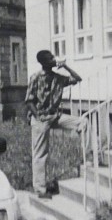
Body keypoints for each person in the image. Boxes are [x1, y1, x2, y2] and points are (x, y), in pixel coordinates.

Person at [25, 50, 88, 200]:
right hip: (41, 118)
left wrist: (65, 66)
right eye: (51, 58)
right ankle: (40, 189)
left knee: (83, 122)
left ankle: (89, 156)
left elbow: (77, 78)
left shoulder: (58, 77)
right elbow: (29, 100)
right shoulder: (35, 77)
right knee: (40, 153)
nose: (54, 60)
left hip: (55, 116)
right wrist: (38, 116)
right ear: (44, 62)